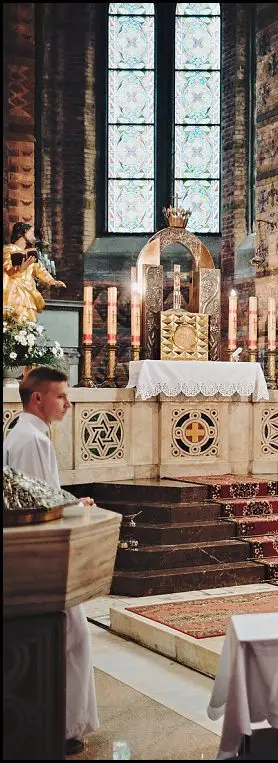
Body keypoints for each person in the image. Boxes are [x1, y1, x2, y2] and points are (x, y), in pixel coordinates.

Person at [3, 366, 99, 754]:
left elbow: (37, 493)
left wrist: (71, 502)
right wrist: (70, 511)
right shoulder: (32, 441)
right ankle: (62, 727)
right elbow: (35, 507)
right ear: (37, 397)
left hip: (34, 558)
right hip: (44, 562)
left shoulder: (23, 432)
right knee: (71, 638)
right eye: (61, 396)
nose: (68, 403)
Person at [4, 222, 66, 323]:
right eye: (31, 232)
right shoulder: (9, 249)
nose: (34, 236)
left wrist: (52, 281)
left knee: (29, 320)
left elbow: (39, 269)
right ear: (24, 233)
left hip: (28, 291)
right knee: (16, 319)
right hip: (14, 292)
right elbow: (8, 270)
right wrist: (21, 268)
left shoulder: (30, 253)